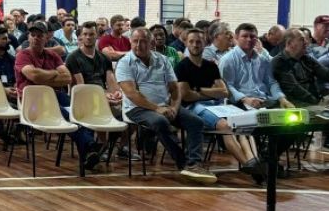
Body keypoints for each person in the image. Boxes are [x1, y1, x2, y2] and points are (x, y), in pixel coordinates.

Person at [116, 28, 208, 182]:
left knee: (196, 122)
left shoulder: (163, 60)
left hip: (165, 106)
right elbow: (132, 94)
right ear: (130, 42)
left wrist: (174, 108)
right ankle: (184, 163)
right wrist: (157, 108)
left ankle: (195, 163)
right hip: (137, 109)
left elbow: (174, 89)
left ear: (151, 43)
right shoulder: (124, 63)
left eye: (143, 41)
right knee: (160, 122)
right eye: (135, 41)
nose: (139, 45)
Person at [176, 28, 261, 184]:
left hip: (216, 105)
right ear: (186, 44)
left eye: (199, 42)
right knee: (224, 125)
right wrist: (211, 92)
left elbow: (224, 92)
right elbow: (186, 95)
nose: (195, 45)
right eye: (192, 42)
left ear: (205, 43)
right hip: (194, 107)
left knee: (243, 123)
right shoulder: (182, 66)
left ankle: (253, 161)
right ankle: (248, 165)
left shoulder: (211, 66)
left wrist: (199, 90)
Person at [14, 21, 100, 169]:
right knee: (64, 115)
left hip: (54, 95)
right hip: (32, 101)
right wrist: (54, 74)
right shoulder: (23, 55)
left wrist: (44, 79)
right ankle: (89, 145)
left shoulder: (52, 55)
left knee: (80, 111)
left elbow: (66, 78)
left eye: (39, 36)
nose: (35, 38)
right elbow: (34, 75)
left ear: (46, 38)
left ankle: (87, 152)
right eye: (32, 35)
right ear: (28, 37)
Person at [219, 23, 292, 110]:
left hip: (264, 101)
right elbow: (227, 87)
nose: (249, 39)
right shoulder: (227, 60)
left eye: (252, 36)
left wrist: (282, 98)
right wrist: (245, 99)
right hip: (240, 103)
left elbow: (271, 82)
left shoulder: (263, 60)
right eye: (245, 36)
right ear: (236, 37)